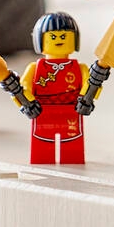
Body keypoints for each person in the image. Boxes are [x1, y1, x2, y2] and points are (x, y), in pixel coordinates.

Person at [22, 11, 91, 165]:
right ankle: (43, 160)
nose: (59, 40)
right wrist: (28, 101)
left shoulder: (80, 68)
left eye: (64, 36)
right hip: (42, 112)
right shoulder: (34, 68)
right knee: (42, 148)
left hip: (71, 112)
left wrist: (86, 99)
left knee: (72, 150)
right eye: (53, 37)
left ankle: (72, 160)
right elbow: (24, 86)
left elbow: (90, 84)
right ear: (40, 40)